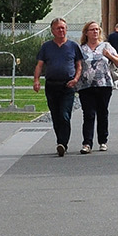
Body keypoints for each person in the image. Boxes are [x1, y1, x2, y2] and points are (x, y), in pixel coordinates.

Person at [31, 18, 82, 157]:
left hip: (68, 85)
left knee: (65, 115)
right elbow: (40, 65)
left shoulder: (73, 46)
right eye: (58, 28)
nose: (61, 30)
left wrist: (76, 79)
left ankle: (62, 143)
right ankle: (60, 140)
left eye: (63, 28)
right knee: (55, 115)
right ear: (52, 31)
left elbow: (79, 65)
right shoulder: (46, 47)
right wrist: (36, 80)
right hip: (52, 85)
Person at [73, 21, 118, 153]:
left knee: (102, 112)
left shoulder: (106, 46)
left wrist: (109, 55)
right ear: (86, 33)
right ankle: (87, 143)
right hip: (86, 85)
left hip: (103, 84)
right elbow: (76, 65)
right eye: (92, 30)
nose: (95, 32)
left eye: (97, 30)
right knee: (88, 114)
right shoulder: (81, 48)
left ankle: (103, 140)